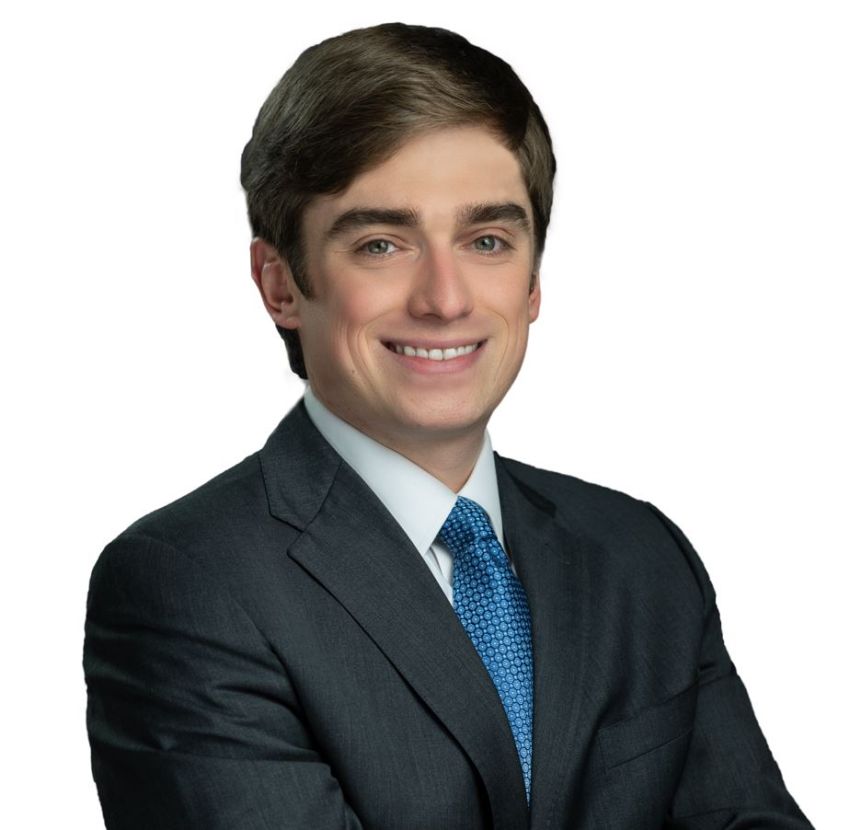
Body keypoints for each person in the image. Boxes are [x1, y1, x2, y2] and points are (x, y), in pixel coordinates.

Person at [83, 22, 812, 829]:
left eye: (487, 240)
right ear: (281, 284)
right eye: (382, 244)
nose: (445, 298)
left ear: (532, 282)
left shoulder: (643, 557)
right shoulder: (189, 586)